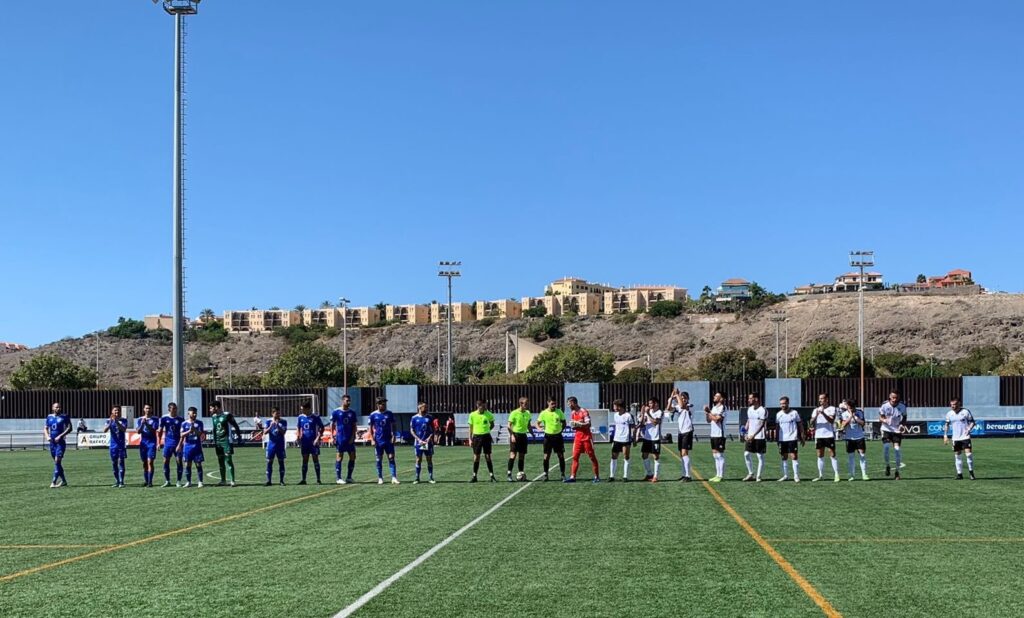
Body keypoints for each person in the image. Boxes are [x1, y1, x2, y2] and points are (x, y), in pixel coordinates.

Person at [567, 396, 600, 483]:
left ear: (573, 403)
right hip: (577, 438)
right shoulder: (573, 413)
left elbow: (588, 424)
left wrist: (578, 424)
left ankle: (597, 476)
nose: (568, 406)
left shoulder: (584, 411)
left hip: (586, 438)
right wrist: (573, 425)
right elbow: (574, 427)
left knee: (592, 457)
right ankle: (572, 477)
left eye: (569, 404)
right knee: (575, 457)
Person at [209, 401, 242, 487]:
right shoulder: (213, 416)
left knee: (228, 460)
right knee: (220, 461)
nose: (210, 410)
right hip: (218, 442)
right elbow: (214, 429)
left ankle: (232, 481)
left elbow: (236, 426)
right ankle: (223, 480)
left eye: (211, 408)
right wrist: (214, 440)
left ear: (216, 407)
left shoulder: (227, 415)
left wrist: (239, 437)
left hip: (227, 441)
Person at [943, 397, 976, 480]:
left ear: (959, 404)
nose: (953, 406)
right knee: (957, 456)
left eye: (954, 404)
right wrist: (945, 435)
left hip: (965, 437)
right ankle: (959, 474)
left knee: (969, 455)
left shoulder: (965, 412)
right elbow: (946, 425)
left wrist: (968, 429)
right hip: (955, 438)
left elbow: (972, 422)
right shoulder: (949, 414)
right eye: (951, 405)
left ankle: (971, 473)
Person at [368, 397, 400, 485]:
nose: (384, 405)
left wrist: (394, 435)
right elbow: (370, 428)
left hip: (388, 440)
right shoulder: (373, 415)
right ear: (378, 404)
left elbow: (394, 425)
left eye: (384, 403)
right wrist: (372, 439)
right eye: (382, 403)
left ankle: (394, 477)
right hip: (378, 440)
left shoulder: (389, 413)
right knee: (379, 459)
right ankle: (380, 478)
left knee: (391, 457)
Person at [810, 393, 840, 483]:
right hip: (819, 435)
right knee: (820, 454)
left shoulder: (832, 408)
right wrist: (816, 415)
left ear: (827, 399)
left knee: (832, 454)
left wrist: (823, 413)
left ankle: (836, 474)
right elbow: (811, 422)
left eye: (822, 398)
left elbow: (831, 420)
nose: (820, 400)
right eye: (819, 399)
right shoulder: (816, 410)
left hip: (829, 435)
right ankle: (820, 475)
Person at [535, 398, 567, 481]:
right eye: (552, 403)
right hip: (548, 437)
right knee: (546, 456)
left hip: (558, 437)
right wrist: (539, 428)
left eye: (555, 403)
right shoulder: (543, 413)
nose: (554, 405)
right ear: (548, 403)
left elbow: (564, 422)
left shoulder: (559, 411)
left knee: (561, 456)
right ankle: (545, 475)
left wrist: (560, 430)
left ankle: (562, 474)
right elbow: (537, 424)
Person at [330, 394, 359, 484]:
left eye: (349, 400)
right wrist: (332, 436)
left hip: (349, 439)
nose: (349, 402)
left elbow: (354, 426)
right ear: (342, 401)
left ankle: (349, 477)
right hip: (340, 438)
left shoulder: (352, 412)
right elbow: (332, 425)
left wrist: (353, 436)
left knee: (353, 457)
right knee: (339, 457)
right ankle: (338, 478)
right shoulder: (336, 412)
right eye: (347, 400)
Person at [635, 398, 664, 482]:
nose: (649, 405)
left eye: (651, 403)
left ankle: (656, 476)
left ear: (656, 404)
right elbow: (643, 424)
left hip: (655, 437)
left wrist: (647, 413)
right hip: (647, 437)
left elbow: (655, 422)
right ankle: (649, 474)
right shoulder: (649, 412)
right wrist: (643, 413)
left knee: (656, 456)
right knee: (644, 455)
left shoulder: (660, 412)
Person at [879, 390, 906, 480]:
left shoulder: (902, 406)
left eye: (896, 397)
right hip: (886, 429)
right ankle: (887, 466)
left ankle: (897, 472)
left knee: (897, 450)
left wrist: (902, 425)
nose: (894, 399)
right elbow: (880, 417)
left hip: (896, 431)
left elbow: (904, 418)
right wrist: (885, 420)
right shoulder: (884, 405)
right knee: (886, 447)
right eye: (893, 397)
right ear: (890, 397)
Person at [839, 398, 869, 481]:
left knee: (862, 455)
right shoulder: (844, 414)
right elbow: (843, 425)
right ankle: (852, 475)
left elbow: (863, 423)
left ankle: (864, 474)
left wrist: (855, 417)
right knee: (851, 457)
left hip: (859, 437)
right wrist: (850, 417)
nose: (851, 408)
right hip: (849, 438)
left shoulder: (860, 412)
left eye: (852, 407)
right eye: (849, 407)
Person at [296, 402, 325, 485]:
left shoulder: (315, 417)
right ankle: (303, 479)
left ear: (308, 409)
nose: (302, 411)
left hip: (313, 443)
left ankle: (318, 479)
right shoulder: (300, 417)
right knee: (304, 460)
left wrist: (318, 438)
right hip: (304, 442)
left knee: (315, 459)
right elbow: (298, 427)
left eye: (303, 409)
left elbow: (322, 428)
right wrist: (298, 436)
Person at [468, 399, 497, 483]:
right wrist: (470, 439)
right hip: (476, 437)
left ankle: (492, 475)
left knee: (488, 456)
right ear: (478, 405)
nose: (484, 407)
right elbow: (470, 428)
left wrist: (487, 430)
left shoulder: (488, 414)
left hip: (486, 437)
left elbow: (492, 424)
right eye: (482, 406)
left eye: (485, 406)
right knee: (476, 456)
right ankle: (474, 476)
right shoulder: (472, 415)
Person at [44, 402, 71, 488]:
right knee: (57, 463)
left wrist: (60, 436)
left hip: (60, 443)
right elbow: (45, 428)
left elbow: (70, 428)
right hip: (52, 443)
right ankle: (63, 481)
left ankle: (54, 482)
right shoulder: (49, 417)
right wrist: (47, 436)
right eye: (56, 407)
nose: (58, 409)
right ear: (52, 408)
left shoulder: (64, 416)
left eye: (59, 407)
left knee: (57, 461)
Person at [776, 396, 803, 482]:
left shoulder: (794, 413)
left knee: (794, 456)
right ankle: (785, 475)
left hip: (792, 438)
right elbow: (777, 427)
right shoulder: (778, 414)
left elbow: (800, 424)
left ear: (788, 403)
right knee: (784, 457)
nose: (782, 405)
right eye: (781, 404)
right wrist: (777, 438)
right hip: (782, 439)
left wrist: (802, 436)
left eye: (784, 403)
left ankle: (796, 476)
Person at [669, 389, 694, 482]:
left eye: (684, 398)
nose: (683, 399)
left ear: (688, 399)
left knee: (684, 453)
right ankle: (684, 474)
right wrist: (672, 398)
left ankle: (688, 475)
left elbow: (682, 406)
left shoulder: (689, 406)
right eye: (682, 398)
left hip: (687, 431)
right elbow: (669, 409)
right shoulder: (678, 406)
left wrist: (678, 395)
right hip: (681, 432)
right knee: (681, 454)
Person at [159, 402, 185, 488]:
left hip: (178, 444)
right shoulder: (164, 418)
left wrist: (181, 443)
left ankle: (178, 481)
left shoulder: (181, 419)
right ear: (169, 409)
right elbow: (160, 430)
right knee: (166, 461)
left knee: (179, 462)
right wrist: (159, 442)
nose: (174, 410)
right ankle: (167, 481)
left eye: (175, 408)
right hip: (168, 444)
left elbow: (183, 432)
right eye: (173, 409)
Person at [743, 393, 767, 482]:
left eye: (750, 398)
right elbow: (748, 421)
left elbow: (761, 424)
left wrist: (754, 435)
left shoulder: (762, 410)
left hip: (759, 437)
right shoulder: (749, 409)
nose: (748, 400)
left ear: (756, 399)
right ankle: (750, 474)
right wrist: (745, 432)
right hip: (750, 436)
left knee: (760, 456)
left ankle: (759, 476)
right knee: (746, 454)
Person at [179, 407, 205, 488]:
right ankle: (188, 482)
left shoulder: (199, 423)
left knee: (198, 465)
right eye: (193, 413)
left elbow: (200, 434)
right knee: (187, 465)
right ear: (188, 414)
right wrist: (189, 431)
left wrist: (195, 430)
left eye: (195, 413)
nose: (194, 414)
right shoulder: (184, 423)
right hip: (187, 447)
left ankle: (200, 482)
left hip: (197, 447)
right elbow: (181, 435)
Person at [506, 397, 532, 481]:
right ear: (521, 404)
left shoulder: (528, 413)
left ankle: (521, 474)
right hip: (515, 436)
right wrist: (512, 435)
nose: (527, 405)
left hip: (523, 436)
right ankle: (509, 475)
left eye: (527, 403)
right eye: (526, 403)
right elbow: (509, 426)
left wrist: (533, 434)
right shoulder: (514, 413)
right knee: (513, 455)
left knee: (522, 456)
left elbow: (529, 425)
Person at [410, 402, 436, 484]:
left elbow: (433, 429)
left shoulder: (430, 417)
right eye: (424, 407)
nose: (426, 408)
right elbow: (412, 430)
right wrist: (418, 439)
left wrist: (429, 438)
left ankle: (431, 477)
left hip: (427, 442)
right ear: (419, 408)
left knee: (429, 459)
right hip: (419, 442)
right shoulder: (414, 418)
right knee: (418, 459)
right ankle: (417, 478)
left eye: (426, 407)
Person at [608, 399, 634, 482]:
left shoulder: (628, 415)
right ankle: (611, 476)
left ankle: (625, 476)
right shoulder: (615, 415)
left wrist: (634, 438)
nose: (614, 407)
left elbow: (632, 427)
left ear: (620, 406)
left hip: (625, 439)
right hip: (616, 439)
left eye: (615, 405)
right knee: (613, 457)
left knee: (626, 456)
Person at [102, 405, 127, 488]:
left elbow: (123, 429)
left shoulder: (123, 420)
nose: (117, 412)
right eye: (115, 411)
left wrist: (116, 422)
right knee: (114, 463)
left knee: (121, 462)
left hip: (121, 445)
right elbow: (104, 430)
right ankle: (116, 481)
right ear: (112, 412)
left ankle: (121, 481)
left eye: (118, 411)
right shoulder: (108, 420)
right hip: (113, 445)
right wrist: (111, 422)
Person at [705, 392, 728, 483]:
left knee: (720, 455)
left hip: (720, 434)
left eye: (716, 396)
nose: (714, 397)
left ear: (721, 398)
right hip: (713, 434)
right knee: (715, 455)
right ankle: (717, 474)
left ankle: (721, 475)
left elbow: (717, 419)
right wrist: (707, 413)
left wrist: (708, 412)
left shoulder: (723, 408)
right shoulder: (714, 407)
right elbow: (708, 420)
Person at [136, 404, 160, 487]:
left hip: (151, 443)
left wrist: (146, 424)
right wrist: (142, 424)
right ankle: (146, 480)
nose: (147, 410)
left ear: (151, 409)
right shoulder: (140, 419)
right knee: (145, 463)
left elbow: (154, 430)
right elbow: (138, 431)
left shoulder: (155, 419)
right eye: (146, 408)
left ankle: (150, 482)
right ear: (143, 409)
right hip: (143, 443)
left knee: (150, 462)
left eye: (149, 408)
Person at [265, 407, 287, 486]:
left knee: (281, 462)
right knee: (269, 462)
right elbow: (265, 432)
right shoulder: (268, 421)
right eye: (276, 413)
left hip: (280, 445)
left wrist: (277, 425)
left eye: (279, 413)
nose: (278, 415)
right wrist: (270, 426)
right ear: (272, 413)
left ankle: (281, 481)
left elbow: (283, 432)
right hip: (271, 445)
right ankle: (268, 481)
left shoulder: (283, 421)